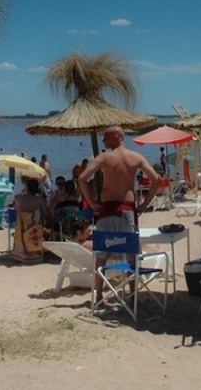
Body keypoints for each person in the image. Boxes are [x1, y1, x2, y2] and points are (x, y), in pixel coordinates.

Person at [77, 126, 160, 306]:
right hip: (127, 210)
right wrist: (144, 205)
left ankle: (98, 296)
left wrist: (91, 203)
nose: (103, 141)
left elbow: (82, 179)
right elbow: (156, 179)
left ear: (116, 137)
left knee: (101, 255)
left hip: (106, 210)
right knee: (130, 254)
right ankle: (131, 296)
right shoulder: (136, 157)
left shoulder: (105, 157)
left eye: (106, 138)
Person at [12, 177, 49, 262]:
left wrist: (23, 191)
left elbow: (15, 208)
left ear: (27, 187)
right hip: (35, 229)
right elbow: (46, 214)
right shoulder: (40, 200)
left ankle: (21, 255)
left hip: (21, 229)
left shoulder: (19, 198)